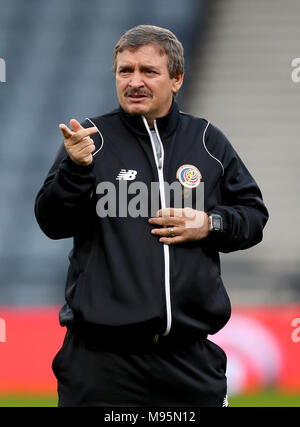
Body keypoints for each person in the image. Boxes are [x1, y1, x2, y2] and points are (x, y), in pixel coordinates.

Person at [34, 25, 268, 407]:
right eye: (125, 71)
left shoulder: (207, 141)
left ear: (176, 79)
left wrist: (211, 224)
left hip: (187, 359)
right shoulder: (90, 141)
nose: (135, 81)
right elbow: (51, 222)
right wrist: (76, 170)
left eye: (148, 71)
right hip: (100, 362)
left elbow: (253, 215)